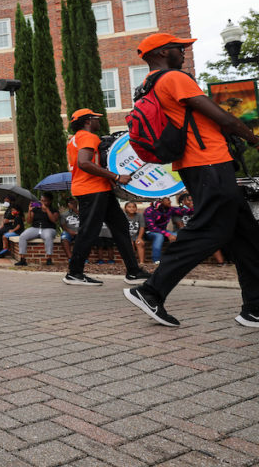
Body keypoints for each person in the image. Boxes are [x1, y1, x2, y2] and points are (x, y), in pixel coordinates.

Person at [123, 33, 259, 328]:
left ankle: (254, 308)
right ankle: (151, 291)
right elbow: (223, 118)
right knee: (209, 231)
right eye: (178, 48)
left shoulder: (148, 87)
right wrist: (253, 138)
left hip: (199, 165)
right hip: (208, 162)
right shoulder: (173, 78)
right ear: (161, 52)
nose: (183, 52)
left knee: (247, 237)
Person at [63, 108, 150, 286]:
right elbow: (84, 163)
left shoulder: (75, 138)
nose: (99, 121)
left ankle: (133, 271)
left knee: (121, 227)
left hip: (97, 189)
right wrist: (116, 177)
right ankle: (74, 273)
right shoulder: (88, 137)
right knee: (89, 231)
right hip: (92, 190)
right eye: (96, 118)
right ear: (87, 121)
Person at [13, 193, 59, 266]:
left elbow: (54, 220)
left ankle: (49, 259)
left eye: (45, 201)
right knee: (23, 236)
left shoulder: (53, 210)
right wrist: (29, 210)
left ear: (50, 201)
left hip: (48, 229)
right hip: (35, 228)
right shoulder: (36, 209)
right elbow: (28, 221)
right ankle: (22, 259)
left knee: (48, 237)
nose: (42, 202)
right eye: (41, 200)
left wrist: (47, 209)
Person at [143, 197, 189, 264]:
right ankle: (156, 260)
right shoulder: (150, 210)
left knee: (177, 236)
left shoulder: (169, 209)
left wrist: (190, 207)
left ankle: (177, 258)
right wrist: (167, 234)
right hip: (149, 232)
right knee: (159, 236)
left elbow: (183, 212)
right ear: (161, 201)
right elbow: (152, 227)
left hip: (163, 231)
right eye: (168, 200)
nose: (170, 202)